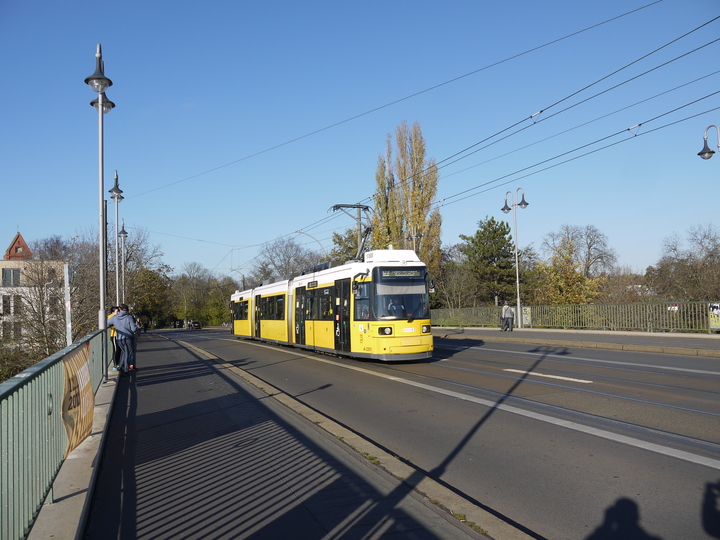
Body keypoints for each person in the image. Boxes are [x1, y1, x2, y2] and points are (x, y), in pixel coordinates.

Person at [107, 304, 138, 375]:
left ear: (120, 310)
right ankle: (125, 369)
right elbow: (133, 329)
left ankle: (120, 366)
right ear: (127, 310)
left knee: (124, 352)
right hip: (128, 337)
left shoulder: (114, 317)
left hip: (119, 338)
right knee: (127, 352)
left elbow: (107, 323)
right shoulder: (129, 317)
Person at [107, 306, 121, 370]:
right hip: (114, 335)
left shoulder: (117, 317)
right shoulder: (111, 317)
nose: (118, 313)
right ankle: (115, 364)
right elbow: (111, 325)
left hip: (118, 335)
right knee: (115, 350)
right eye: (117, 311)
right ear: (113, 312)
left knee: (118, 349)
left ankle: (118, 363)